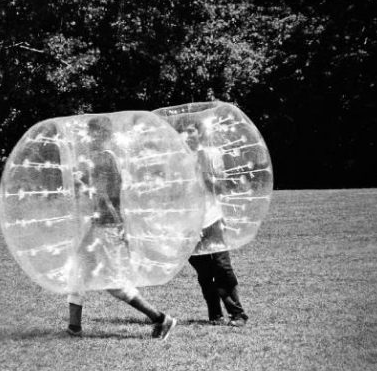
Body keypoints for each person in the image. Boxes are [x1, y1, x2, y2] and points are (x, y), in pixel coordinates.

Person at [65, 117, 177, 340]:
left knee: (115, 285)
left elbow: (104, 196)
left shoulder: (103, 160)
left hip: (106, 225)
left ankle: (161, 319)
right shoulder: (103, 158)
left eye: (94, 133)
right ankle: (73, 328)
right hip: (101, 224)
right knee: (78, 271)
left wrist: (118, 226)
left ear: (103, 136)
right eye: (89, 133)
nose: (89, 138)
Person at [184, 124, 249, 327]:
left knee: (222, 266)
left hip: (212, 219)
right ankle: (215, 314)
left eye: (190, 130)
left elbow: (225, 186)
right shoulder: (178, 158)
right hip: (189, 224)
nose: (185, 135)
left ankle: (238, 314)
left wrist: (207, 178)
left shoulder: (212, 155)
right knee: (204, 273)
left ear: (200, 133)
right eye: (183, 131)